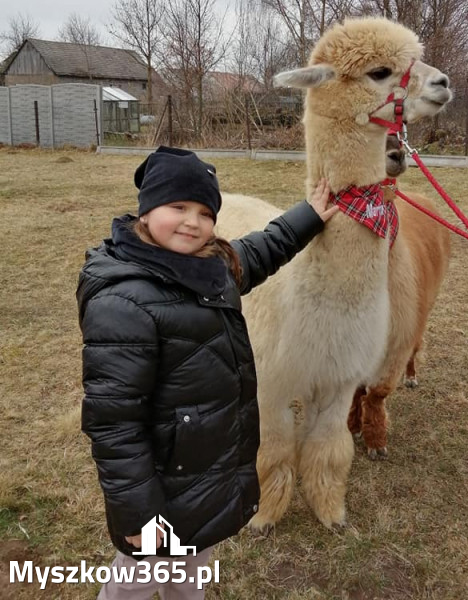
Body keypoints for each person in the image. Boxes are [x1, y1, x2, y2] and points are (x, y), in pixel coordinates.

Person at [77, 146, 338, 599]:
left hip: (201, 474)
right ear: (146, 209)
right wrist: (137, 512)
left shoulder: (207, 266)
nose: (192, 222)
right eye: (177, 207)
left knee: (191, 569)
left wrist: (308, 216)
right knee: (136, 581)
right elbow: (114, 423)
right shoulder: (123, 303)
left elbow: (262, 250)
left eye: (204, 212)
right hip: (161, 484)